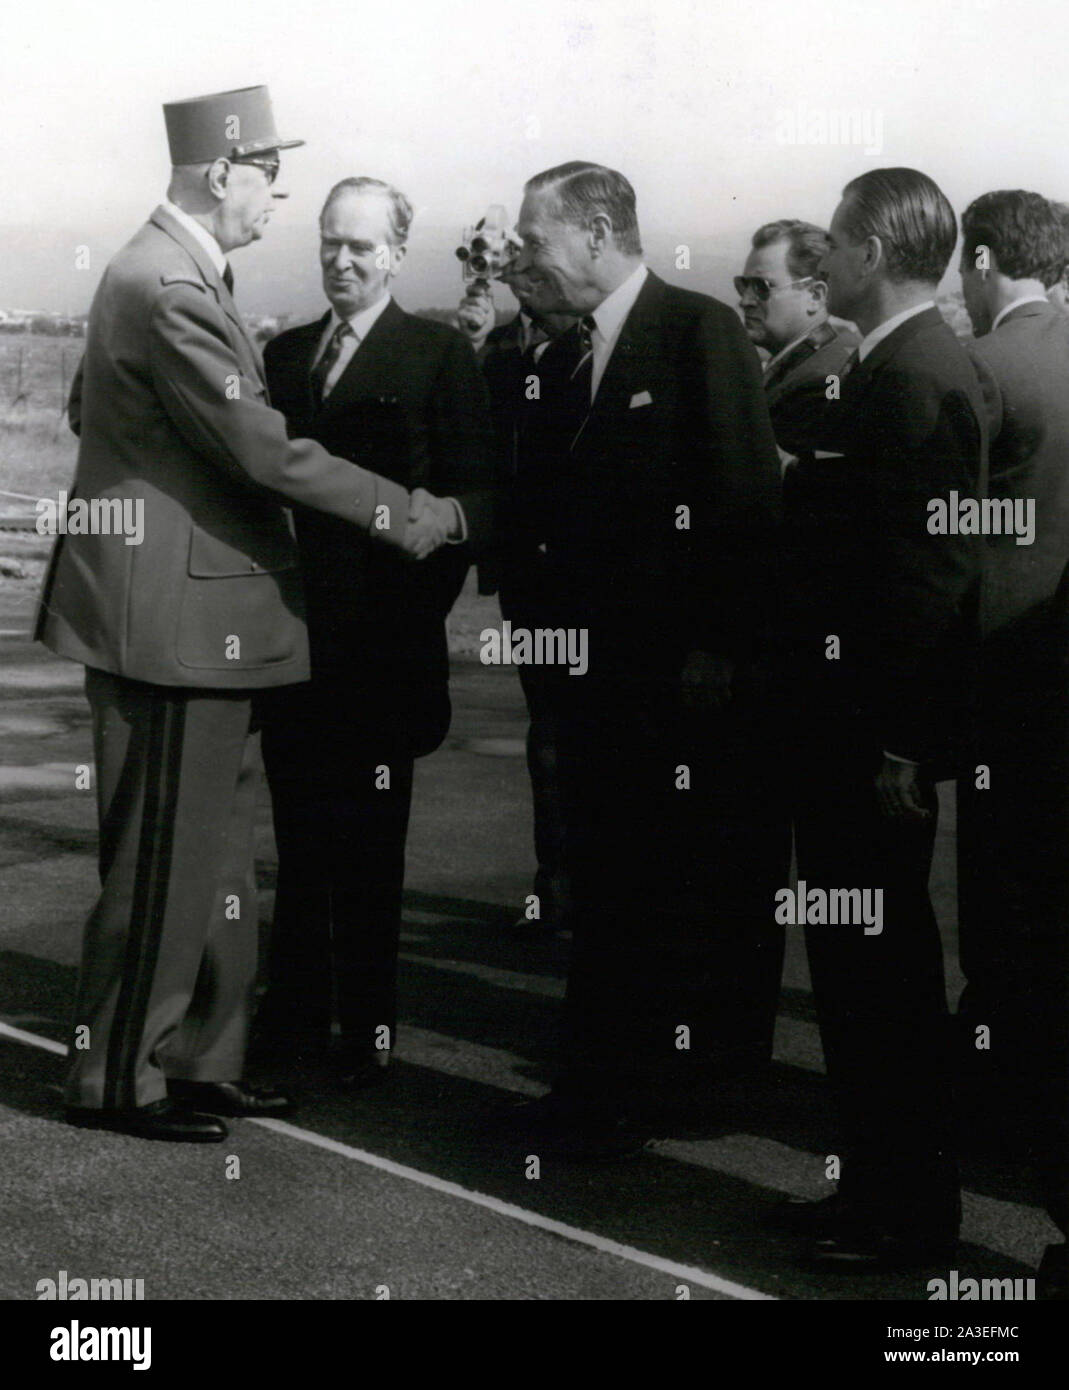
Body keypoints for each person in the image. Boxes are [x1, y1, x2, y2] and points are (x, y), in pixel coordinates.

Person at [34, 88, 451, 1142]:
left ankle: (202, 1056)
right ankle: (118, 1075)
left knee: (215, 861)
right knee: (167, 860)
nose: (278, 200)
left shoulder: (161, 273)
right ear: (223, 172)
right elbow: (258, 447)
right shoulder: (167, 282)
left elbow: (97, 409)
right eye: (271, 175)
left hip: (198, 619)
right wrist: (402, 511)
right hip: (170, 621)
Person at [502, 161, 785, 1157]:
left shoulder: (696, 331)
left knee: (667, 885)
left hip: (675, 682)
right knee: (605, 878)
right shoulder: (561, 356)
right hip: (590, 681)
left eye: (532, 237)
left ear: (591, 232)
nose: (518, 254)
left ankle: (652, 1089)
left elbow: (747, 502)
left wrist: (718, 640)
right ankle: (599, 1084)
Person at [782, 167, 988, 1267]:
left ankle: (904, 1212)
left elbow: (930, 572)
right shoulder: (893, 363)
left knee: (882, 981)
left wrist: (906, 741)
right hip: (855, 729)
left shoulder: (912, 372)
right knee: (860, 974)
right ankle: (874, 1189)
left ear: (871, 251)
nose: (822, 258)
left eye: (833, 240)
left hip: (872, 741)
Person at [255, 177, 496, 1088]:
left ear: (396, 252)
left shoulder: (436, 355)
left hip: (382, 655)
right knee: (300, 844)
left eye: (360, 247)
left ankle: (363, 1032)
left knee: (367, 849)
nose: (341, 261)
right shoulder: (283, 357)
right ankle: (290, 1026)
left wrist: (405, 614)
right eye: (329, 243)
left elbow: (473, 501)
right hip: (291, 647)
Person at [955, 189, 1069, 1298]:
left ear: (985, 260)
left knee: (999, 899)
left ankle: (998, 1097)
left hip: (999, 673)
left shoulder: (985, 367)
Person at [457, 277, 577, 934]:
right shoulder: (501, 347)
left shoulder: (591, 340)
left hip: (585, 572)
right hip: (528, 576)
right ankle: (556, 889)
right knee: (549, 737)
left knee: (584, 738)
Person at [736, 219, 858, 463]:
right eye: (743, 285)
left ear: (815, 296)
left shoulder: (821, 385)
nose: (745, 301)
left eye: (761, 287)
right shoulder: (804, 364)